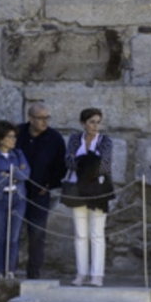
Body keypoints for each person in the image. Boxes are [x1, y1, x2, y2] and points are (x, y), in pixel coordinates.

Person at [63, 108, 114, 286]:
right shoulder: (75, 139)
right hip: (77, 189)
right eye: (92, 122)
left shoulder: (105, 141)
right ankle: (81, 273)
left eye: (98, 122)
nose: (95, 126)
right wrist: (89, 161)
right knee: (80, 233)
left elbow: (104, 166)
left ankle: (97, 274)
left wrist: (83, 163)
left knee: (97, 233)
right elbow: (68, 161)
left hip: (97, 189)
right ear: (84, 123)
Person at [16, 103, 66, 280]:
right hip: (16, 192)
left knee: (37, 235)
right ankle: (8, 270)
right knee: (11, 232)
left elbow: (61, 167)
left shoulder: (54, 139)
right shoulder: (17, 133)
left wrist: (48, 185)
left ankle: (34, 274)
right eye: (40, 118)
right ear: (31, 119)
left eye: (47, 118)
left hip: (39, 193)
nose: (44, 122)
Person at [0, 120, 29, 278]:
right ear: (0, 138)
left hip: (18, 198)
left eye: (14, 136)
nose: (14, 139)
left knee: (14, 237)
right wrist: (14, 175)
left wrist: (7, 174)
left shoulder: (19, 154)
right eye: (10, 136)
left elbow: (26, 174)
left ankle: (10, 270)